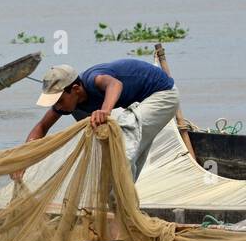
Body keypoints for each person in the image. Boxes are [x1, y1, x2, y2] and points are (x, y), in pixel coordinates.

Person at [16, 58, 180, 182]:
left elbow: (115, 85)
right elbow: (42, 127)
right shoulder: (69, 102)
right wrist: (23, 160)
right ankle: (124, 208)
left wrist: (104, 111)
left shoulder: (93, 80)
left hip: (162, 95)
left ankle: (121, 209)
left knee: (121, 148)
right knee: (126, 153)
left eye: (59, 100)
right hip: (139, 104)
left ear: (75, 89)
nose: (57, 106)